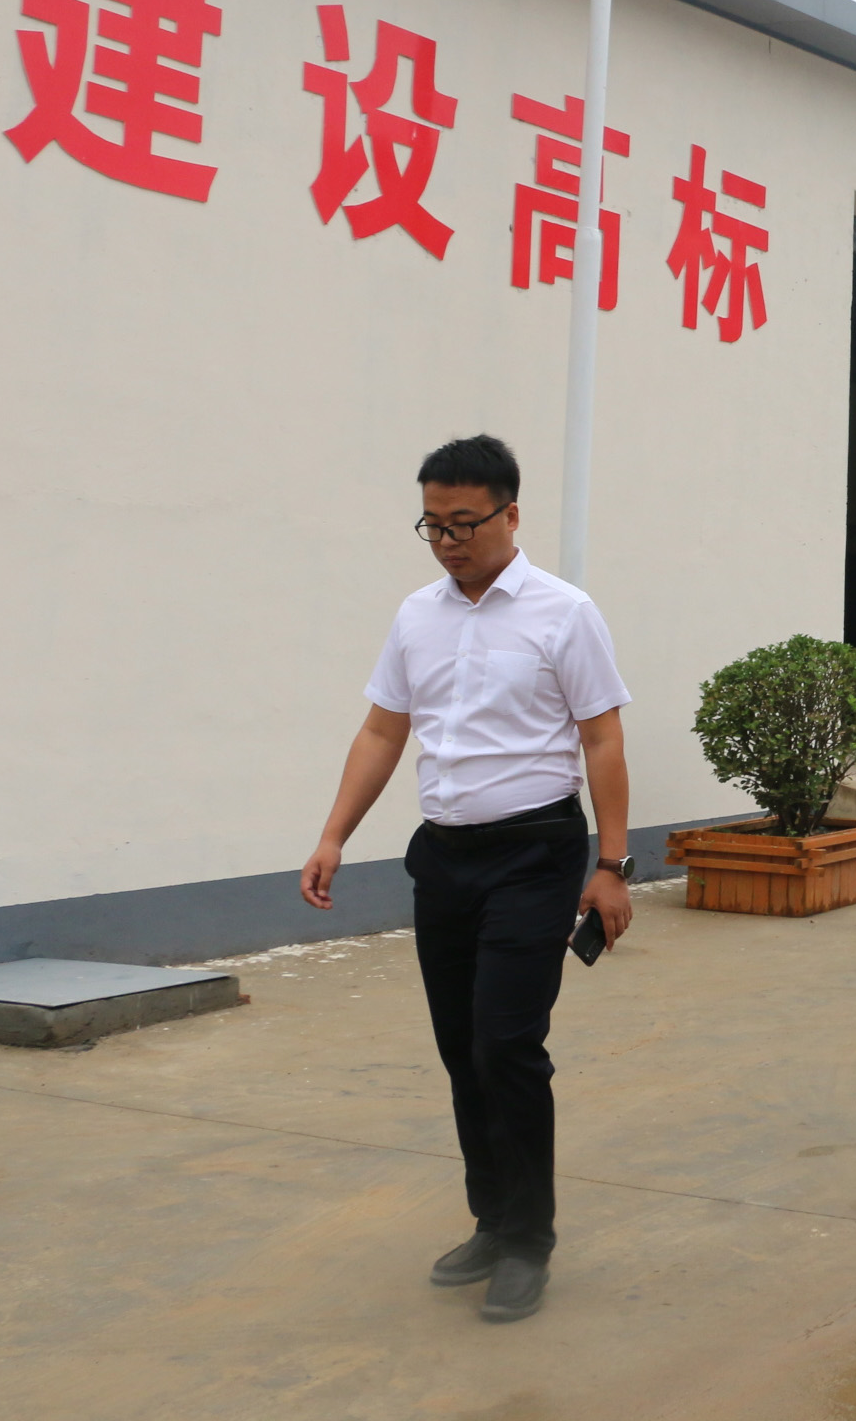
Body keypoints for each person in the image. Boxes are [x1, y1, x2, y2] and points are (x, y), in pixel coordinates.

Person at [298, 435, 634, 1325]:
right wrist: (334, 834)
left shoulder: (565, 614)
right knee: (460, 1047)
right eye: (433, 524)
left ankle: (530, 1239)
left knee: (505, 1042)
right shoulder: (417, 616)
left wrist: (611, 866)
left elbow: (602, 739)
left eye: (464, 522)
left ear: (510, 515)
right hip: (444, 854)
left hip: (536, 854)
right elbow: (382, 731)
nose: (448, 540)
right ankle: (493, 1217)